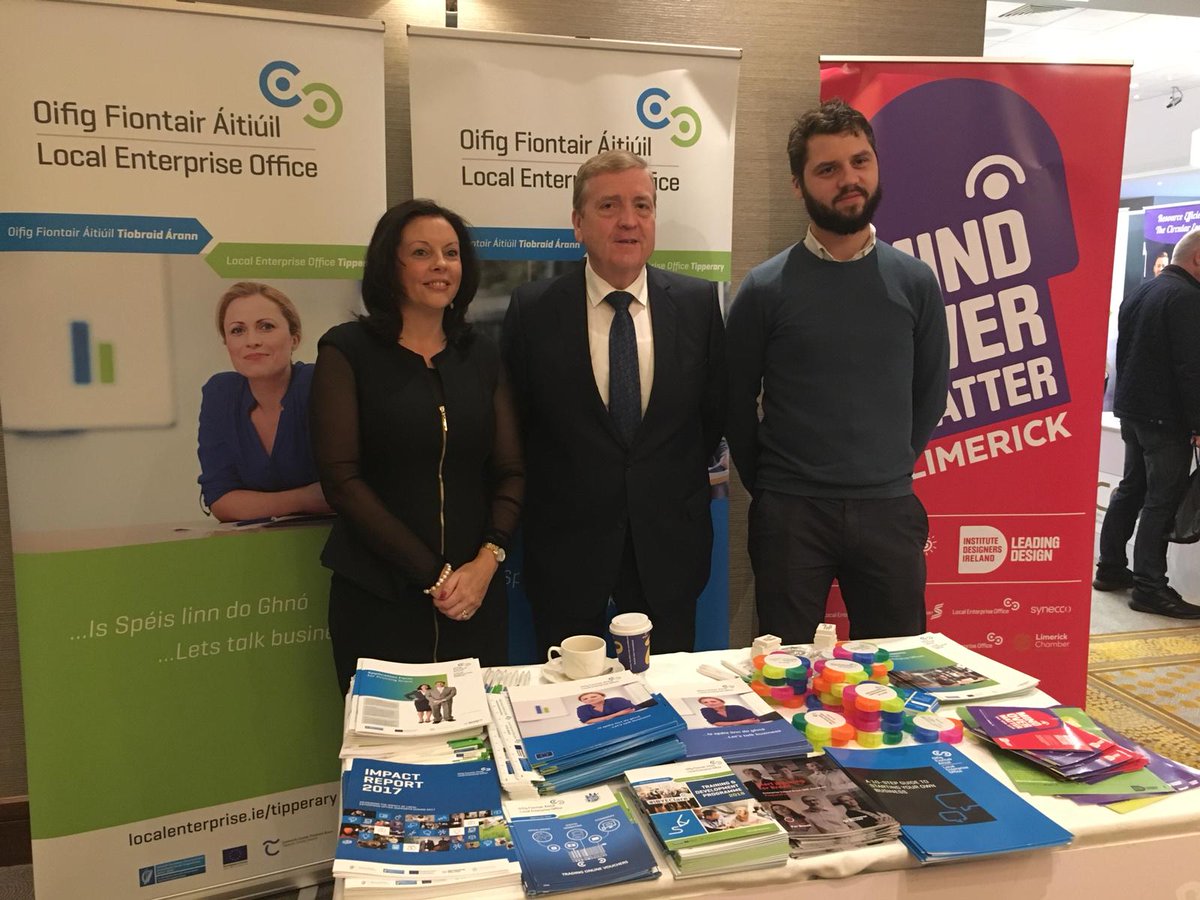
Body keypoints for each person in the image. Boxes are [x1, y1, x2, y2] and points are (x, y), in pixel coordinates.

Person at [726, 98, 949, 643]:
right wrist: (776, 487)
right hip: (790, 514)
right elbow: (732, 402)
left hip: (889, 509)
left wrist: (886, 467)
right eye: (827, 169)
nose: (848, 179)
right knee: (782, 672)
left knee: (897, 668)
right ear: (798, 185)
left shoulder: (915, 282)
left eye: (860, 161)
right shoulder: (763, 288)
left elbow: (930, 394)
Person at [503, 150, 726, 655]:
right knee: (564, 705)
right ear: (577, 223)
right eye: (609, 206)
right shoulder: (534, 310)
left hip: (668, 549)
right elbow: (517, 425)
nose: (629, 220)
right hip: (566, 551)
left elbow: (709, 418)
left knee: (669, 699)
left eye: (642, 206)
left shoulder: (696, 305)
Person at [311, 200, 525, 689]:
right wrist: (433, 574)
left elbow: (511, 469)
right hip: (380, 597)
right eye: (422, 253)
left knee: (476, 745)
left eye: (451, 253)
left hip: (475, 597)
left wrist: (486, 560)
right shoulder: (346, 351)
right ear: (391, 265)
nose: (440, 266)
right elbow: (341, 480)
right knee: (389, 751)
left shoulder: (482, 355)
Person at [1094, 228, 1200, 618]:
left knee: (1132, 488)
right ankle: (1151, 588)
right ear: (1198, 259)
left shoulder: (1143, 291)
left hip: (1134, 411)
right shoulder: (1187, 298)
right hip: (1166, 418)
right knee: (1161, 500)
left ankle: (1110, 568)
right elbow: (1191, 369)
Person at [198, 282, 332, 522]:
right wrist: (305, 498)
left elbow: (349, 488)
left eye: (266, 327)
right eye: (238, 330)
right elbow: (221, 501)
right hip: (258, 548)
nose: (252, 341)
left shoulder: (321, 383)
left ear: (294, 339)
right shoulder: (220, 394)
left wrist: (255, 503)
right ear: (227, 343)